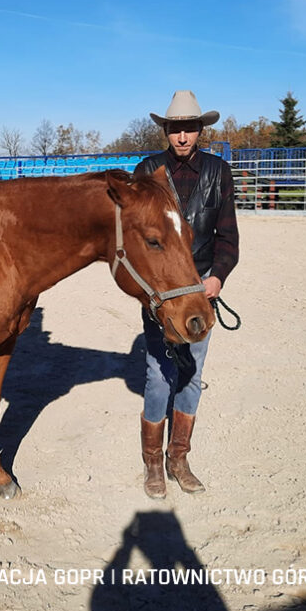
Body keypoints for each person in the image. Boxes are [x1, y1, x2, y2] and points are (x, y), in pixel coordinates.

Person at [133, 90, 239, 499]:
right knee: (159, 378)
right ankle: (152, 464)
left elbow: (227, 237)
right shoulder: (147, 171)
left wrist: (218, 278)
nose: (182, 137)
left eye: (189, 129)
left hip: (200, 290)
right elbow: (138, 240)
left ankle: (178, 458)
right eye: (175, 129)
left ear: (199, 130)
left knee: (191, 377)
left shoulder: (218, 172)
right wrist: (150, 290)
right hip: (163, 292)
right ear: (166, 130)